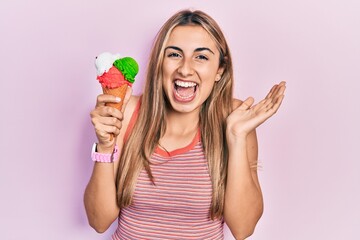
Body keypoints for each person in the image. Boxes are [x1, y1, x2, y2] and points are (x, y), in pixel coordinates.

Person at [84, 9, 286, 240]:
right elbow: (99, 221)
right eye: (174, 54)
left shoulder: (236, 117)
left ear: (220, 69)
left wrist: (237, 138)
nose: (185, 69)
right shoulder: (128, 112)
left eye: (201, 56)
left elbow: (243, 228)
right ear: (160, 62)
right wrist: (105, 147)